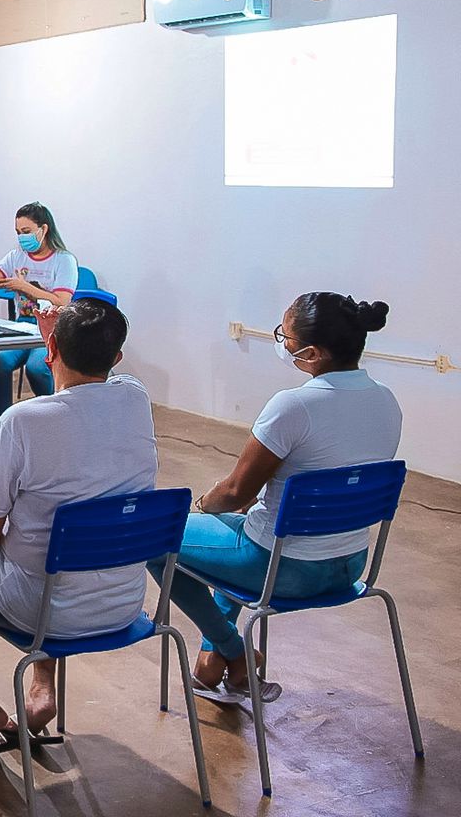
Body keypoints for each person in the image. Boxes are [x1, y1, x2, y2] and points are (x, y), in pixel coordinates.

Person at [154, 292, 399, 704]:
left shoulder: (294, 406)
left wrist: (203, 508)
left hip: (285, 569)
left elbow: (234, 493)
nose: (282, 344)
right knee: (243, 532)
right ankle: (216, 661)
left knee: (158, 538)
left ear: (314, 353)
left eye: (285, 337)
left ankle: (235, 652)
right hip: (352, 563)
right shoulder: (387, 402)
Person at [0, 298, 157, 756]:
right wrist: (60, 337)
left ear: (50, 350)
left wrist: (10, 546)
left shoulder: (22, 422)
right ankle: (40, 688)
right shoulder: (136, 398)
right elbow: (85, 400)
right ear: (118, 358)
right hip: (124, 603)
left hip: (39, 607)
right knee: (58, 556)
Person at [0, 202, 78, 417]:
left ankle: (60, 416)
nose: (21, 237)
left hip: (51, 329)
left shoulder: (64, 260)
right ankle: (0, 421)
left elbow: (62, 302)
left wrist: (25, 288)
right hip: (23, 326)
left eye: (26, 232)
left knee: (37, 368)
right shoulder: (15, 256)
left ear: (43, 229)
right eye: (18, 232)